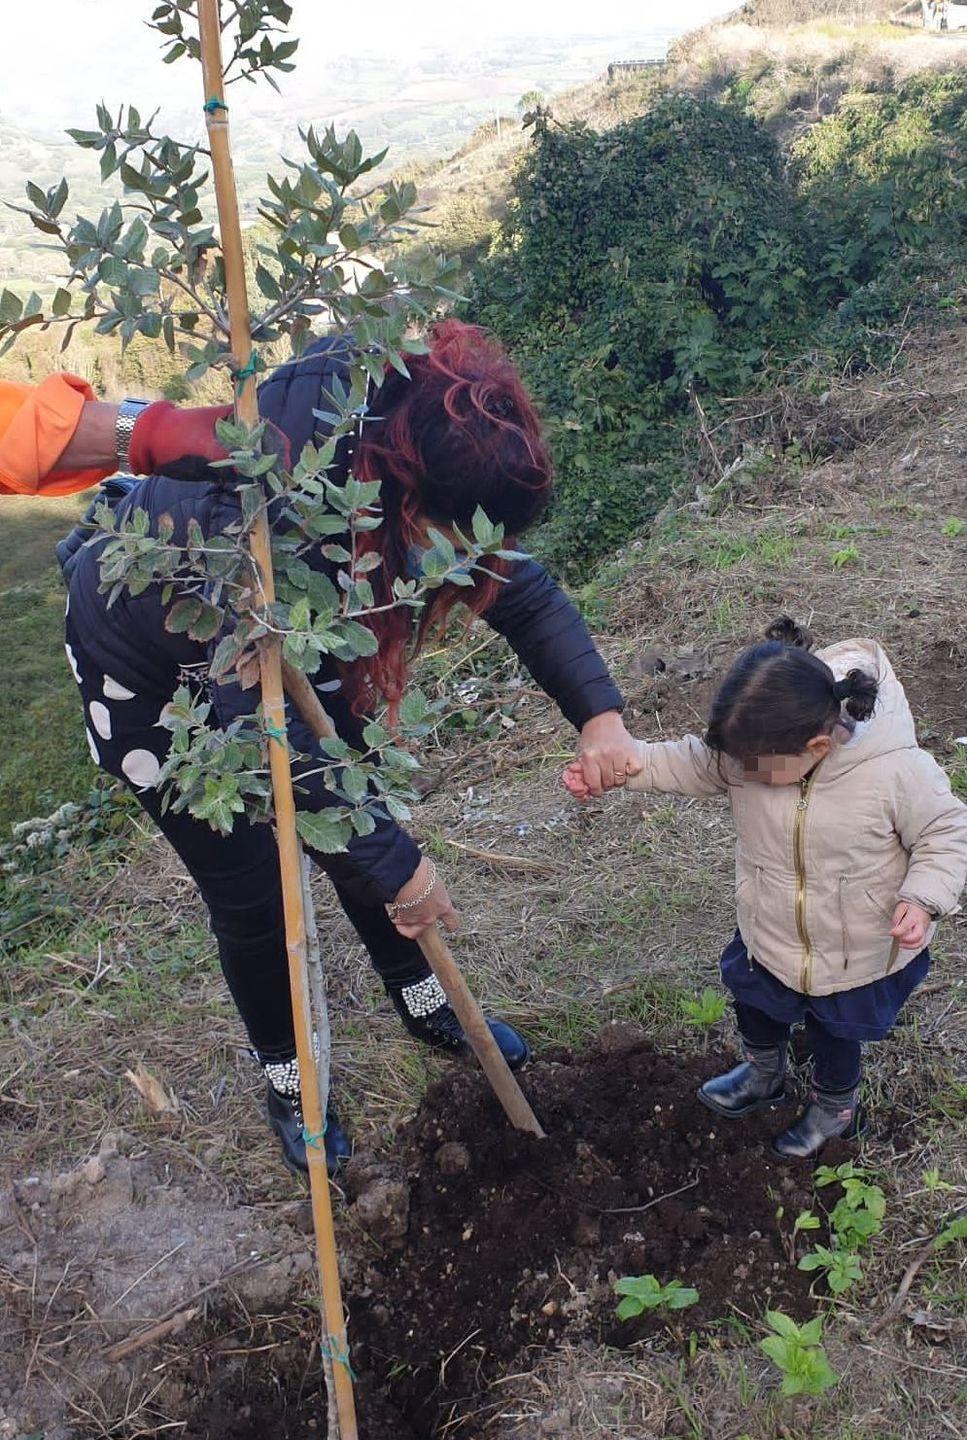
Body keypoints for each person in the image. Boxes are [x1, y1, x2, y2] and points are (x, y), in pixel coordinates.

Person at [19, 320, 643, 1175]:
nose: (474, 563)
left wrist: (599, 715)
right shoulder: (274, 516)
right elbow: (267, 737)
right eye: (458, 540)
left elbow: (518, 590)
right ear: (408, 499)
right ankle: (291, 1080)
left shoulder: (412, 491)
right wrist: (400, 867)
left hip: (302, 646)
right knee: (254, 891)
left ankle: (423, 1002)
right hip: (156, 678)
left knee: (363, 816)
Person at [563, 618, 967, 1159]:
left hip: (855, 951)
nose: (740, 773)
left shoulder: (896, 772)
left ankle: (835, 1108)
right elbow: (689, 761)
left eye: (752, 767)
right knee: (755, 1002)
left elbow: (946, 832)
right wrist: (620, 768)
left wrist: (922, 897)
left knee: (834, 1035)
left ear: (817, 745)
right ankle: (763, 1071)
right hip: (770, 928)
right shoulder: (751, 751)